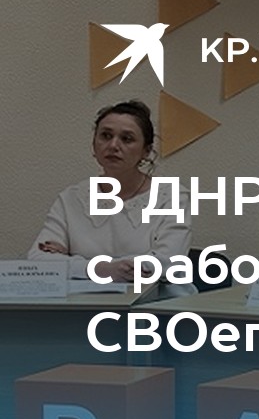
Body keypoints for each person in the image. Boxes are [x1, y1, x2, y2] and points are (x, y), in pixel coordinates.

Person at [29, 100, 191, 283]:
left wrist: (72, 262)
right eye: (106, 136)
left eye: (127, 139)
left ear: (146, 151)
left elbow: (169, 263)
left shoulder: (171, 197)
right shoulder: (71, 198)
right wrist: (103, 269)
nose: (113, 145)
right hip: (85, 299)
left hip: (156, 297)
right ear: (93, 145)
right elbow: (38, 259)